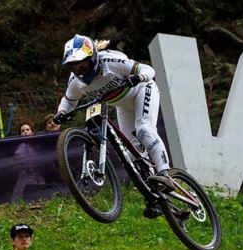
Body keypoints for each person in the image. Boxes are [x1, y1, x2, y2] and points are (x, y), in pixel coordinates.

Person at [52, 36, 170, 191]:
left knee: (144, 129)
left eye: (83, 62)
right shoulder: (75, 82)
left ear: (93, 57)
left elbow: (148, 70)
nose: (80, 69)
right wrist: (61, 112)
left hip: (142, 89)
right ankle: (153, 190)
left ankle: (165, 173)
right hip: (122, 106)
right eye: (74, 65)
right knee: (132, 149)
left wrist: (139, 77)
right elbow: (68, 101)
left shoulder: (110, 62)